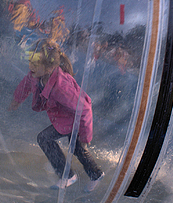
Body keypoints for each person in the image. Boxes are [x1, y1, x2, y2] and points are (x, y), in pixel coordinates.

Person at [9, 39, 104, 191]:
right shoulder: (35, 75)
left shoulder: (61, 86)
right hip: (64, 120)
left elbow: (85, 109)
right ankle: (70, 176)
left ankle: (94, 176)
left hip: (77, 122)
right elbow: (26, 83)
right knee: (47, 140)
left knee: (77, 149)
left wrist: (85, 137)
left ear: (49, 68)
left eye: (35, 64)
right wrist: (17, 100)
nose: (30, 66)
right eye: (30, 61)